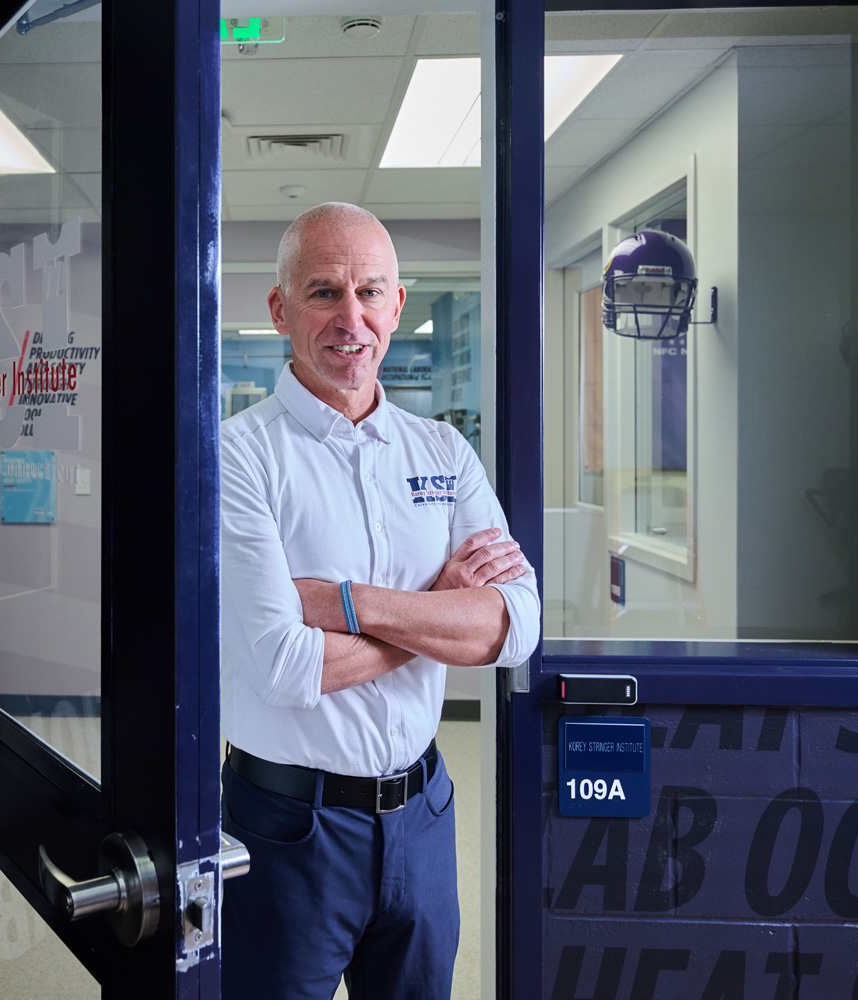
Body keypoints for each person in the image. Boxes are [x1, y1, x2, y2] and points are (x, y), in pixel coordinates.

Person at [219, 202, 539, 998]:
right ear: (280, 308)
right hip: (287, 828)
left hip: (422, 817)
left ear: (397, 305)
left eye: (369, 292)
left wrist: (344, 603)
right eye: (324, 292)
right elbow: (286, 667)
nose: (350, 317)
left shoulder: (444, 452)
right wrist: (440, 607)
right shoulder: (237, 457)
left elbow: (515, 626)